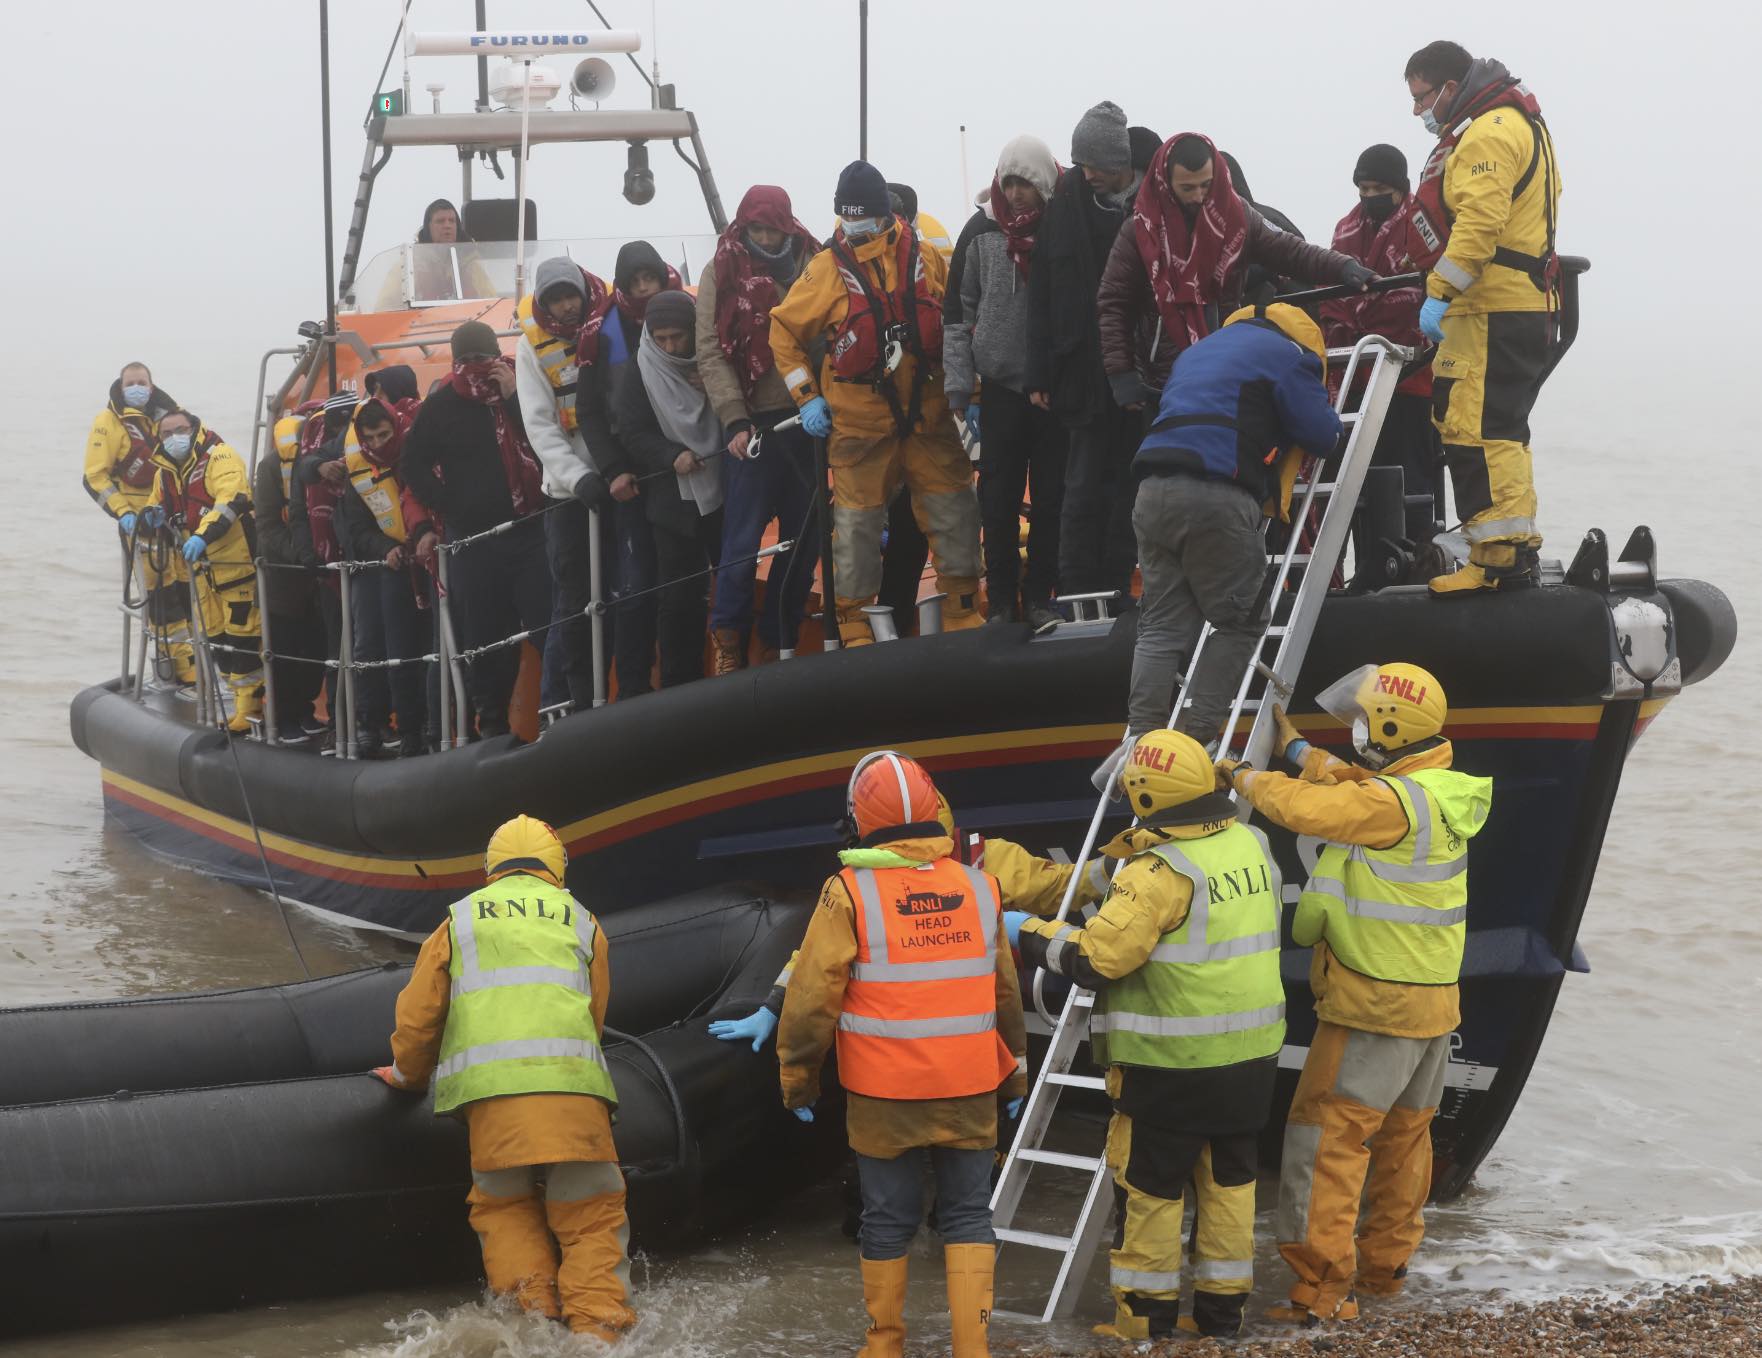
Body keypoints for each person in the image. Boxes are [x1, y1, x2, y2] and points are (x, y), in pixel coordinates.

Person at [1218, 663, 1490, 1324]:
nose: (1360, 728)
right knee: (1404, 1147)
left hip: (1374, 1007)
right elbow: (1353, 785)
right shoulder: (1436, 793)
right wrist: (1298, 749)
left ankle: (1321, 1295)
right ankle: (1384, 1276)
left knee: (1327, 1142)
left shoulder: (1388, 806)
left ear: (1391, 727)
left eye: (1366, 719)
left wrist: (1241, 775)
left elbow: (1315, 808)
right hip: (1432, 1012)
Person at [1012, 728, 1284, 1340]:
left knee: (1152, 1193)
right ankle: (1222, 1319)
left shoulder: (1156, 870)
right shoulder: (1254, 842)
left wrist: (1024, 931)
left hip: (1171, 1066)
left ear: (1143, 796)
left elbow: (1098, 958)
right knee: (1229, 1186)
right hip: (1252, 1061)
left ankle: (1143, 1324)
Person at [776, 751, 1026, 1358]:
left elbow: (811, 999)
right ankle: (973, 1349)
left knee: (887, 1221)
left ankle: (884, 1347)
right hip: (970, 1085)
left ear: (860, 818)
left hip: (884, 1093)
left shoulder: (848, 893)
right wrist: (1013, 1075)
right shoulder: (978, 886)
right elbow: (1005, 994)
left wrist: (799, 1079)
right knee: (969, 1216)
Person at [374, 815, 635, 1341]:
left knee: (506, 1208)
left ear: (490, 868)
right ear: (557, 865)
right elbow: (595, 1014)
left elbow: (420, 1016)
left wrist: (405, 1075)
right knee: (589, 1217)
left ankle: (533, 1325)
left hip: (492, 1103)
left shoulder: (459, 920)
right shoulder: (582, 920)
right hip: (574, 1093)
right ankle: (601, 1338)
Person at [770, 160, 984, 645]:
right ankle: (854, 624)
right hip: (859, 426)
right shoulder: (824, 271)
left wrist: (973, 393)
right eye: (847, 217)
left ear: (885, 213)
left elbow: (958, 323)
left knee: (954, 512)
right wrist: (806, 397)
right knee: (857, 529)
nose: (855, 226)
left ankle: (963, 608)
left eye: (862, 216)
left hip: (929, 418)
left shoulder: (927, 259)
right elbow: (783, 331)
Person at [1126, 302, 1342, 745]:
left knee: (1162, 625)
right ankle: (1198, 741)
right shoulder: (1289, 354)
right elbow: (1322, 435)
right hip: (1216, 494)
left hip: (1151, 491)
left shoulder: (1196, 352)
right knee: (1240, 621)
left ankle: (1143, 739)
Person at [1404, 41, 1563, 596]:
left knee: (1473, 429)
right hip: (1517, 303)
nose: (1419, 110)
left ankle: (1494, 560)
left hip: (1490, 305)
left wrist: (1440, 291)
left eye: (1422, 96)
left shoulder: (1488, 132)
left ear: (1449, 86)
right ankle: (1511, 550)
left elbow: (1478, 222)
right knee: (1502, 431)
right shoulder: (1523, 123)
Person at [1097, 132, 1374, 411]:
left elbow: (1290, 251)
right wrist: (1122, 375)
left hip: (1226, 370)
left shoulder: (1238, 216)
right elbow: (1113, 303)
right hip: (1163, 383)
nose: (1199, 196)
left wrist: (1345, 267)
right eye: (1187, 188)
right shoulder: (1138, 230)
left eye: (1205, 185)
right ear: (1165, 182)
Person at [1026, 102, 1152, 605]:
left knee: (1130, 485)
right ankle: (1076, 591)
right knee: (1079, 487)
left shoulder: (1151, 204)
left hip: (1138, 374)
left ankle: (1118, 587)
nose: (1088, 173)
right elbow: (1042, 292)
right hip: (1080, 370)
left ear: (1121, 161)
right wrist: (1039, 370)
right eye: (1081, 163)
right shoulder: (1066, 203)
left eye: (1096, 164)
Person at [696, 186, 824, 674]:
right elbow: (709, 347)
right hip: (749, 425)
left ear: (788, 225)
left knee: (805, 536)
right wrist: (733, 417)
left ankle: (780, 638)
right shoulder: (720, 270)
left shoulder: (816, 259)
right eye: (757, 228)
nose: (766, 237)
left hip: (810, 417)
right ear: (744, 226)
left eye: (774, 228)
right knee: (742, 538)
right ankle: (728, 639)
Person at [404, 321, 553, 739]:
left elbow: (546, 436)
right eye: (467, 361)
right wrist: (449, 504)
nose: (476, 368)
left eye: (482, 358)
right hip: (475, 541)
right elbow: (413, 464)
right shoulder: (440, 407)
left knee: (548, 619)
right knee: (487, 638)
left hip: (529, 529)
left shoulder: (519, 386)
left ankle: (563, 703)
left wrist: (514, 399)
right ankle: (492, 723)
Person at [944, 136, 1067, 635]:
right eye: (1008, 183)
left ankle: (1040, 596)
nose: (1016, 194)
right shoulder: (979, 233)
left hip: (1053, 392)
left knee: (1053, 498)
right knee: (996, 500)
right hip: (997, 390)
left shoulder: (1063, 229)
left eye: (1026, 184)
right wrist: (959, 388)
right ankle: (1000, 603)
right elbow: (958, 311)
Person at [1321, 145, 1444, 520]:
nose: (1370, 197)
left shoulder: (1422, 225)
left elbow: (1434, 281)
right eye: (1363, 190)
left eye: (1378, 189)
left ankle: (1419, 563)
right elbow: (1331, 291)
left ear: (1399, 187)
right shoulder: (1346, 229)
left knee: (1411, 483)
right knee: (1357, 489)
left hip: (1409, 377)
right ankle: (1367, 572)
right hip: (1353, 378)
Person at [617, 290, 726, 688]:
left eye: (677, 337)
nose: (669, 347)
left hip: (724, 486)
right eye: (660, 338)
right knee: (678, 596)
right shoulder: (640, 370)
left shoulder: (716, 361)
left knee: (731, 578)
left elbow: (739, 405)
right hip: (671, 501)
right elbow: (631, 431)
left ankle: (736, 666)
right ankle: (680, 682)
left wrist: (717, 383)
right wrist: (670, 455)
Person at [144, 409, 263, 733]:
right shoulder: (165, 473)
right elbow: (159, 505)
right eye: (166, 434)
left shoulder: (219, 456)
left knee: (244, 635)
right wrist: (151, 517)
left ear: (194, 429)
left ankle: (250, 708)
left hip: (235, 564)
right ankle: (238, 698)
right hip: (200, 569)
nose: (173, 438)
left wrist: (201, 535)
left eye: (179, 430)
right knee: (214, 636)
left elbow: (232, 499)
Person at [340, 373, 434, 756]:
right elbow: (355, 529)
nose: (379, 444)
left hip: (432, 560)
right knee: (399, 654)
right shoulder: (357, 472)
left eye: (383, 435)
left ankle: (438, 723)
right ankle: (409, 731)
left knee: (438, 647)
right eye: (372, 439)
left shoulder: (419, 451)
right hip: (395, 569)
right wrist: (385, 549)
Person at [86, 362, 195, 683]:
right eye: (130, 383)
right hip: (140, 521)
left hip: (175, 514)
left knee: (190, 586)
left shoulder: (172, 416)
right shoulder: (108, 422)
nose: (136, 387)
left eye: (141, 382)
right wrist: (124, 513)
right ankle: (181, 665)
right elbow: (94, 477)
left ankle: (197, 656)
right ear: (121, 388)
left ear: (151, 385)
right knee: (160, 593)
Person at [253, 399, 327, 745]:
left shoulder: (323, 461)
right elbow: (267, 526)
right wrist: (300, 554)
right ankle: (283, 717)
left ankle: (305, 711)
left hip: (318, 579)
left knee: (314, 652)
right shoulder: (270, 468)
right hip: (283, 579)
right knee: (284, 653)